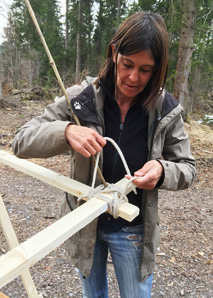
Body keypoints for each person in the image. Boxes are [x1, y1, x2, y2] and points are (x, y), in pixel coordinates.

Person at [12, 11, 196, 298]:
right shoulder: (80, 98)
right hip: (84, 223)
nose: (133, 77)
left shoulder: (166, 110)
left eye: (145, 69)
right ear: (114, 53)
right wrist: (65, 132)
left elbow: (188, 168)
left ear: (157, 68)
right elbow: (21, 141)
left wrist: (161, 171)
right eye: (127, 64)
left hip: (133, 228)